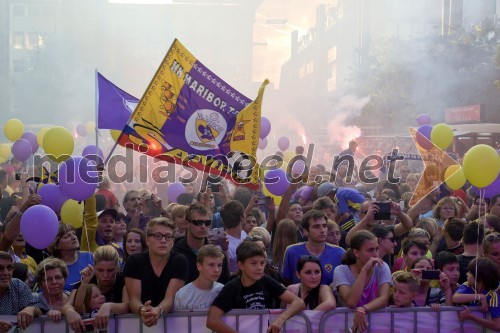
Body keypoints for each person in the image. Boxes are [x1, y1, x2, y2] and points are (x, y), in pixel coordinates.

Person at [206, 241, 306, 333]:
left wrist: (281, 318)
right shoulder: (232, 288)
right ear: (241, 265)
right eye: (253, 263)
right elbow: (212, 320)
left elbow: (299, 302)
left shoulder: (266, 280)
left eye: (262, 263)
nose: (259, 268)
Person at [125, 217, 188, 327]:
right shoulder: (134, 261)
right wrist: (142, 310)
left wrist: (157, 311)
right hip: (138, 324)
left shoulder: (180, 261)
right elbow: (134, 299)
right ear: (148, 241)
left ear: (173, 242)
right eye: (158, 236)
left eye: (168, 236)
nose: (163, 240)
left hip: (173, 323)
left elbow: (170, 298)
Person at [332, 230, 392, 333]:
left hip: (376, 325)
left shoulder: (382, 267)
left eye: (377, 249)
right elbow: (351, 302)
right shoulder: (341, 270)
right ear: (356, 252)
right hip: (347, 326)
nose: (375, 254)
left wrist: (363, 309)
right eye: (370, 250)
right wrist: (365, 270)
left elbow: (384, 298)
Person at [63, 245, 129, 332]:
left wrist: (108, 306)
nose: (105, 275)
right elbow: (69, 305)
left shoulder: (123, 280)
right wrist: (69, 312)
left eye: (110, 270)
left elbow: (127, 305)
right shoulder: (87, 279)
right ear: (94, 266)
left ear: (117, 267)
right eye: (100, 270)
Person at [282, 210, 345, 286]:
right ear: (305, 231)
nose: (322, 230)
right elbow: (286, 282)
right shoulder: (292, 252)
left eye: (324, 226)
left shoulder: (339, 253)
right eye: (316, 227)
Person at [173, 204, 230, 284]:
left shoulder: (216, 253)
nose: (203, 226)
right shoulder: (174, 252)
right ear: (187, 224)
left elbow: (224, 283)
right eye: (198, 222)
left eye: (207, 222)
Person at [0, 251, 48, 332]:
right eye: (0, 268)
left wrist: (32, 309)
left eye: (9, 268)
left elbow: (40, 307)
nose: (6, 273)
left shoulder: (17, 285)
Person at [452, 257, 500, 331]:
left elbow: (497, 326)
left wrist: (471, 316)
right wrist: (479, 296)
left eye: (470, 272)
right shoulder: (466, 285)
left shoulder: (493, 295)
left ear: (480, 277)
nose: (466, 274)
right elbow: (455, 298)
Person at [174, 244, 224, 311]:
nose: (216, 270)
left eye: (219, 265)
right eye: (211, 265)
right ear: (199, 266)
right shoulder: (183, 295)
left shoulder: (222, 290)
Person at [48, 223, 94, 291]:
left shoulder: (90, 256)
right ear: (56, 245)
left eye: (74, 233)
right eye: (67, 236)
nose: (74, 237)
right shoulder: (50, 266)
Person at [35, 258, 69, 322]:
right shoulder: (33, 300)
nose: (54, 282)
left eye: (58, 277)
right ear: (40, 283)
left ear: (65, 278)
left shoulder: (74, 298)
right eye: (48, 279)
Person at [220, 200, 248, 274]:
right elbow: (227, 273)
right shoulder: (224, 244)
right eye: (244, 214)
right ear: (242, 217)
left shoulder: (244, 233)